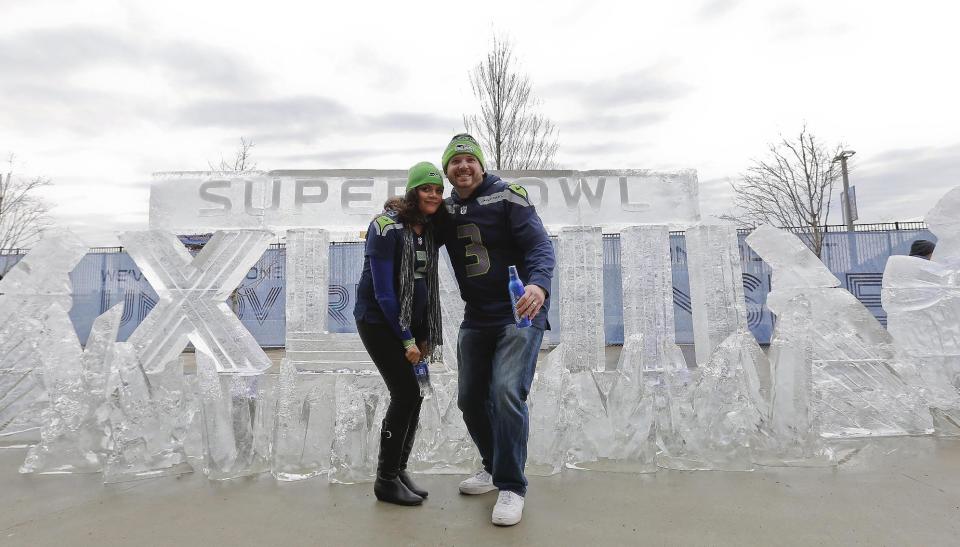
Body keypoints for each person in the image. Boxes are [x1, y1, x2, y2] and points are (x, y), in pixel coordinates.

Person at [439, 133, 555, 526]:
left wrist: (538, 285)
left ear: (482, 164)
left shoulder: (509, 195)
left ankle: (512, 485)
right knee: (470, 398)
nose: (463, 166)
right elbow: (416, 221)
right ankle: (493, 466)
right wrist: (392, 211)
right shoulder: (448, 208)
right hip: (478, 315)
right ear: (447, 172)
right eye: (455, 162)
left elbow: (540, 246)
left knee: (506, 390)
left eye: (470, 160)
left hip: (519, 311)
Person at [354, 161, 447, 506]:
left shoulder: (430, 229)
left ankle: (399, 468)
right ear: (412, 192)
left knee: (419, 391)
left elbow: (423, 289)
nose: (433, 195)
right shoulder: (385, 227)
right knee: (405, 393)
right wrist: (406, 339)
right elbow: (384, 293)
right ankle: (385, 479)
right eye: (426, 188)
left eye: (438, 190)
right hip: (380, 322)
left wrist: (423, 337)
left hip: (415, 327)